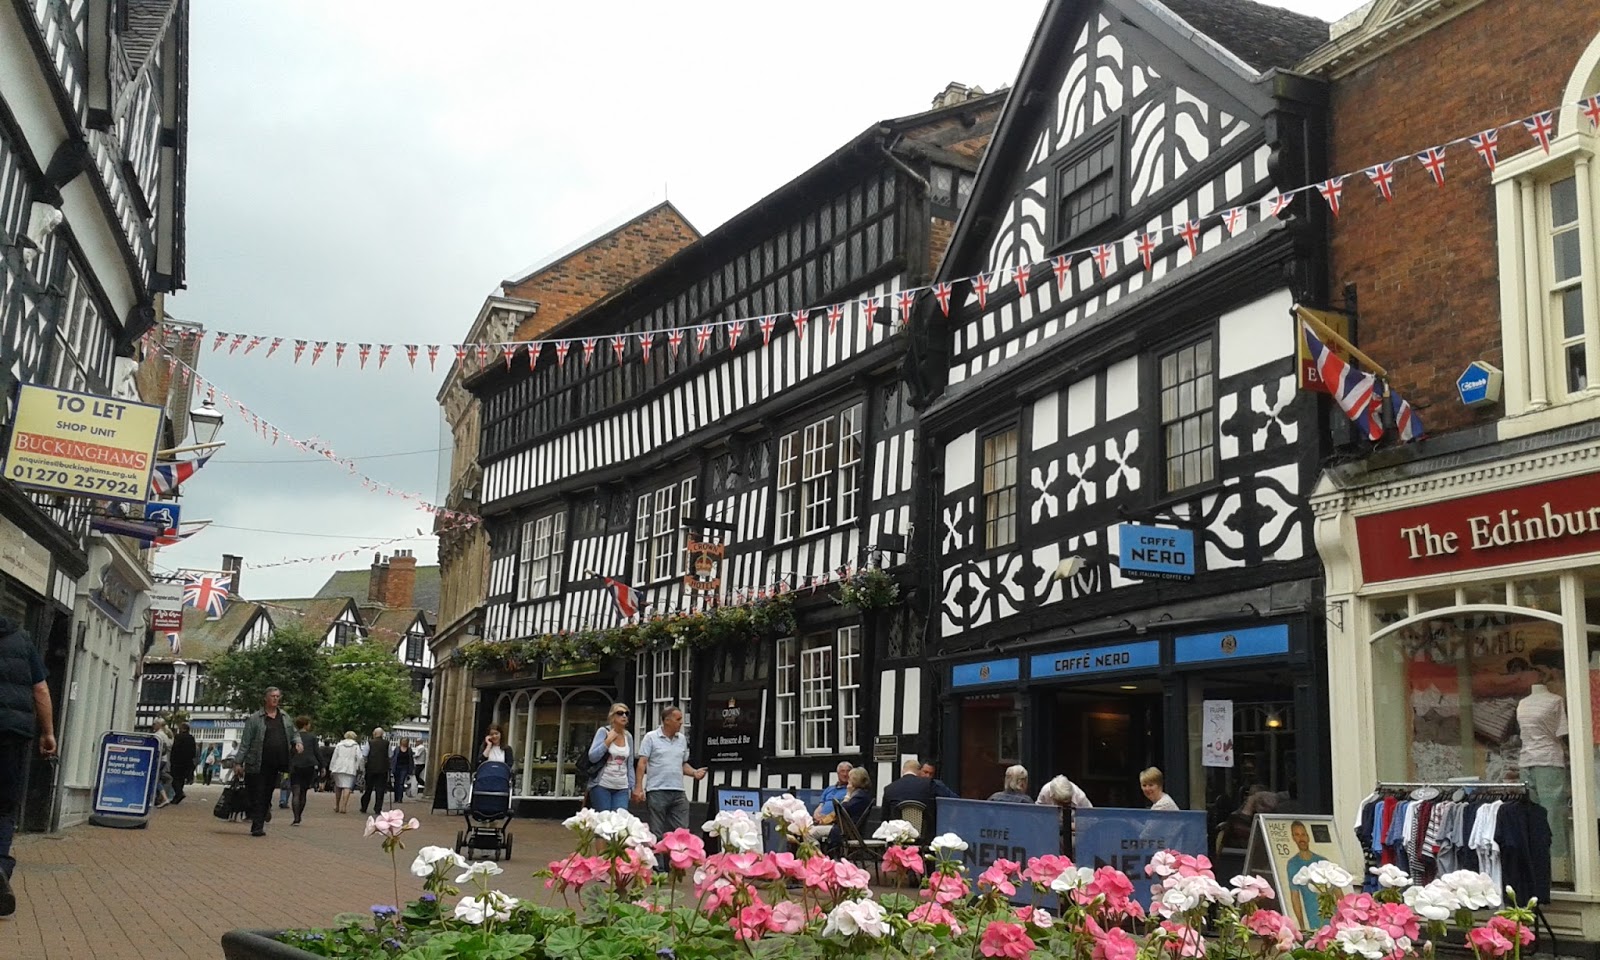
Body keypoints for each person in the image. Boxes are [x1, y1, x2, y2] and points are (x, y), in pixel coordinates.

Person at [0, 614, 56, 918]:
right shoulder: (22, 640)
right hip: (12, 735)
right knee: (4, 807)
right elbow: (41, 690)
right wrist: (48, 732)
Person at [633, 706, 706, 865]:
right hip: (657, 790)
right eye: (678, 719)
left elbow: (682, 764)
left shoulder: (681, 740)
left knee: (681, 831)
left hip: (678, 791)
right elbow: (642, 763)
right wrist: (638, 787)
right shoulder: (651, 738)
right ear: (667, 720)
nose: (681, 723)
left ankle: (675, 865)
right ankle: (658, 868)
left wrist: (694, 773)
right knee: (657, 832)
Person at [234, 687, 302, 837]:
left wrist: (297, 742)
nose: (276, 699)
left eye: (278, 696)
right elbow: (245, 743)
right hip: (257, 762)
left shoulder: (284, 717)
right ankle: (258, 819)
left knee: (266, 794)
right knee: (256, 793)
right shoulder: (255, 719)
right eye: (273, 696)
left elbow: (294, 732)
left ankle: (258, 824)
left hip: (276, 763)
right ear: (266, 698)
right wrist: (238, 762)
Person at [883, 758, 957, 837]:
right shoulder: (931, 784)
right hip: (926, 835)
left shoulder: (889, 789)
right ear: (918, 771)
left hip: (898, 836)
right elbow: (954, 800)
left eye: (931, 773)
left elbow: (884, 818)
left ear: (902, 771)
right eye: (925, 772)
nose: (927, 776)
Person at [807, 767, 871, 852]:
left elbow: (841, 811)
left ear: (855, 781)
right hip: (842, 828)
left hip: (845, 831)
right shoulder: (860, 794)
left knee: (809, 833)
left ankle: (817, 856)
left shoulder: (860, 796)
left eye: (850, 779)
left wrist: (848, 795)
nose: (848, 781)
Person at [586, 703, 635, 811]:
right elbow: (592, 757)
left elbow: (630, 765)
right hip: (602, 785)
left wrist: (632, 787)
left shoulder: (628, 737)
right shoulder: (603, 732)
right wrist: (607, 741)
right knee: (605, 821)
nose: (624, 716)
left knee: (620, 821)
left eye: (626, 714)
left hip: (622, 786)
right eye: (620, 713)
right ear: (612, 716)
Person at [1285, 820, 1330, 929]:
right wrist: (1301, 925)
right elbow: (1295, 896)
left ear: (1308, 837)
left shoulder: (1322, 861)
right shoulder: (1293, 864)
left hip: (1330, 912)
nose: (1301, 838)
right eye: (1297, 835)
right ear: (1293, 838)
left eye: (1303, 834)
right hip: (1312, 916)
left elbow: (1337, 890)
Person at [289, 716, 319, 825]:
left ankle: (296, 817)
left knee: (295, 792)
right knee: (303, 792)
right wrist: (322, 766)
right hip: (308, 765)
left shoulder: (293, 737)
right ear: (305, 725)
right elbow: (316, 752)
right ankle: (299, 815)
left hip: (295, 765)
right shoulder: (312, 737)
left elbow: (290, 752)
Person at [329, 730, 362, 814]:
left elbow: (334, 756)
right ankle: (344, 806)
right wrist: (358, 766)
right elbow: (360, 757)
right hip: (350, 767)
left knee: (338, 786)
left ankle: (337, 805)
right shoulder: (356, 746)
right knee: (347, 787)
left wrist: (331, 768)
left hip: (338, 766)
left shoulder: (339, 745)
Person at [361, 727, 392, 814]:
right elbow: (390, 755)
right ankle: (378, 808)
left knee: (368, 788)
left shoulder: (370, 742)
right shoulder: (387, 743)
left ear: (374, 734)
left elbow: (364, 755)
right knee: (380, 789)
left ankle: (364, 807)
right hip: (383, 769)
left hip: (371, 768)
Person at [170, 722, 197, 804]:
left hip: (177, 762)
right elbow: (193, 752)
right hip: (187, 762)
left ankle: (179, 793)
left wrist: (172, 759)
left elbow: (175, 749)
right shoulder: (191, 738)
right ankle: (177, 796)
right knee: (181, 780)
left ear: (183, 729)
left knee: (174, 779)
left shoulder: (178, 737)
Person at [150, 718, 174, 807]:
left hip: (158, 759)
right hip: (164, 759)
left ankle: (160, 798)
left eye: (154, 724)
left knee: (154, 779)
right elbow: (169, 745)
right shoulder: (164, 735)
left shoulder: (157, 735)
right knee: (157, 779)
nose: (153, 726)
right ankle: (161, 798)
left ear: (158, 725)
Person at [392, 738, 415, 804]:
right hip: (397, 767)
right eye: (403, 741)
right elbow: (393, 758)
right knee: (396, 783)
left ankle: (400, 798)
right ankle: (396, 798)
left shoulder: (409, 750)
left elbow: (411, 760)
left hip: (404, 767)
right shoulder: (397, 749)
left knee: (401, 783)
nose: (404, 742)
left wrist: (411, 769)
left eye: (405, 741)